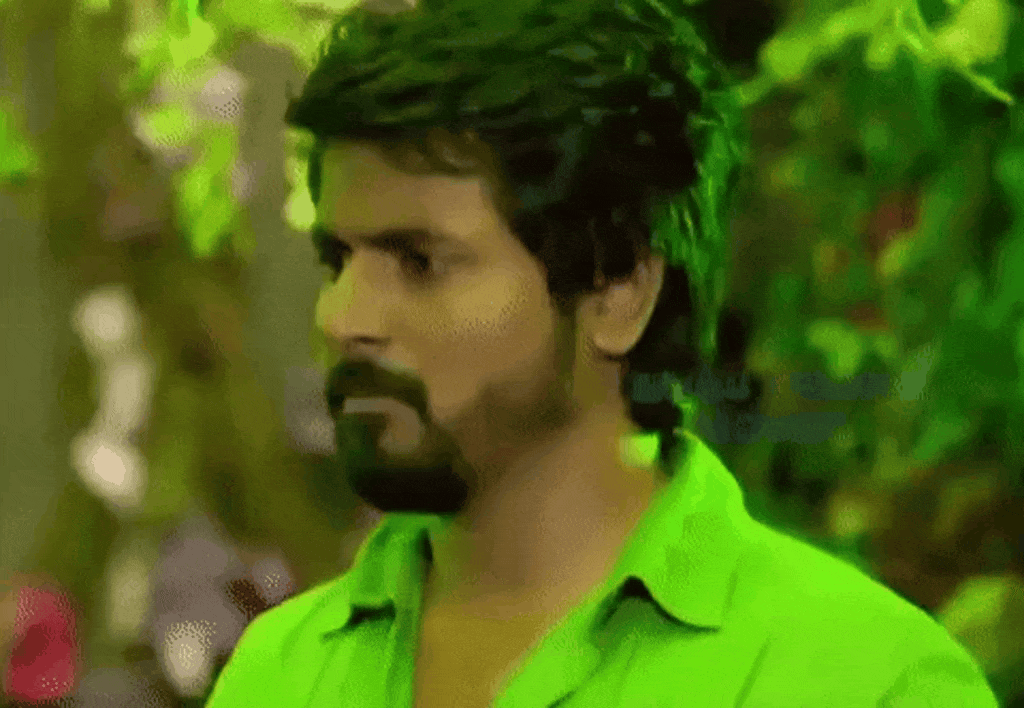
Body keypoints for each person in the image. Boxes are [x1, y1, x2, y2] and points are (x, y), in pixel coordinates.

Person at [206, 0, 1000, 705]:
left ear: (619, 291)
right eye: (337, 262)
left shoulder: (867, 683)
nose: (342, 317)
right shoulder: (282, 672)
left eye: (419, 261)